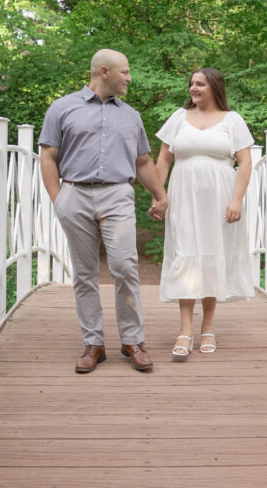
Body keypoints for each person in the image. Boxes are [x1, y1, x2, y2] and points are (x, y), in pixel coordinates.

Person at [39, 49, 169, 374]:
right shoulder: (62, 108)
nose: (129, 78)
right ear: (105, 71)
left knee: (125, 267)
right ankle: (93, 343)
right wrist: (59, 200)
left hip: (117, 195)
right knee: (84, 273)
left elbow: (142, 162)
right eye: (125, 72)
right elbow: (48, 157)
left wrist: (160, 194)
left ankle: (132, 341)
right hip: (75, 194)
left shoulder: (131, 116)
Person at [153, 68, 254, 361]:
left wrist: (237, 199)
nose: (193, 88)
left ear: (214, 88)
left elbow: (245, 164)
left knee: (211, 254)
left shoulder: (232, 120)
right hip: (183, 196)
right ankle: (185, 329)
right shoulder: (178, 118)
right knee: (186, 253)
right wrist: (159, 196)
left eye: (200, 84)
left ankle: (207, 326)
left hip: (220, 197)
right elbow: (163, 159)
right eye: (192, 84)